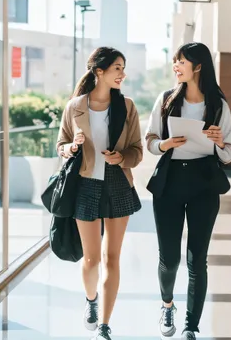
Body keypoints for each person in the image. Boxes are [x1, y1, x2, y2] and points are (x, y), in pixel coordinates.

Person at [145, 42, 231, 339]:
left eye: (181, 61)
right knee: (169, 258)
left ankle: (191, 326)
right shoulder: (167, 99)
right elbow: (150, 141)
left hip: (203, 184)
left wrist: (220, 142)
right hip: (169, 183)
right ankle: (167, 304)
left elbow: (230, 153)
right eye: (175, 61)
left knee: (198, 259)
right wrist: (165, 145)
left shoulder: (218, 104)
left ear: (198, 66)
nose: (176, 66)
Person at [56, 47, 143, 340]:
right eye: (117, 68)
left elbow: (137, 151)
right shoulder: (75, 107)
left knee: (112, 258)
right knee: (91, 259)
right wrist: (71, 148)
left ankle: (105, 325)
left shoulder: (127, 107)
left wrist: (123, 158)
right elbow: (61, 146)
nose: (123, 74)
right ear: (99, 72)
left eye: (123, 68)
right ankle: (91, 300)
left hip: (118, 183)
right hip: (85, 184)